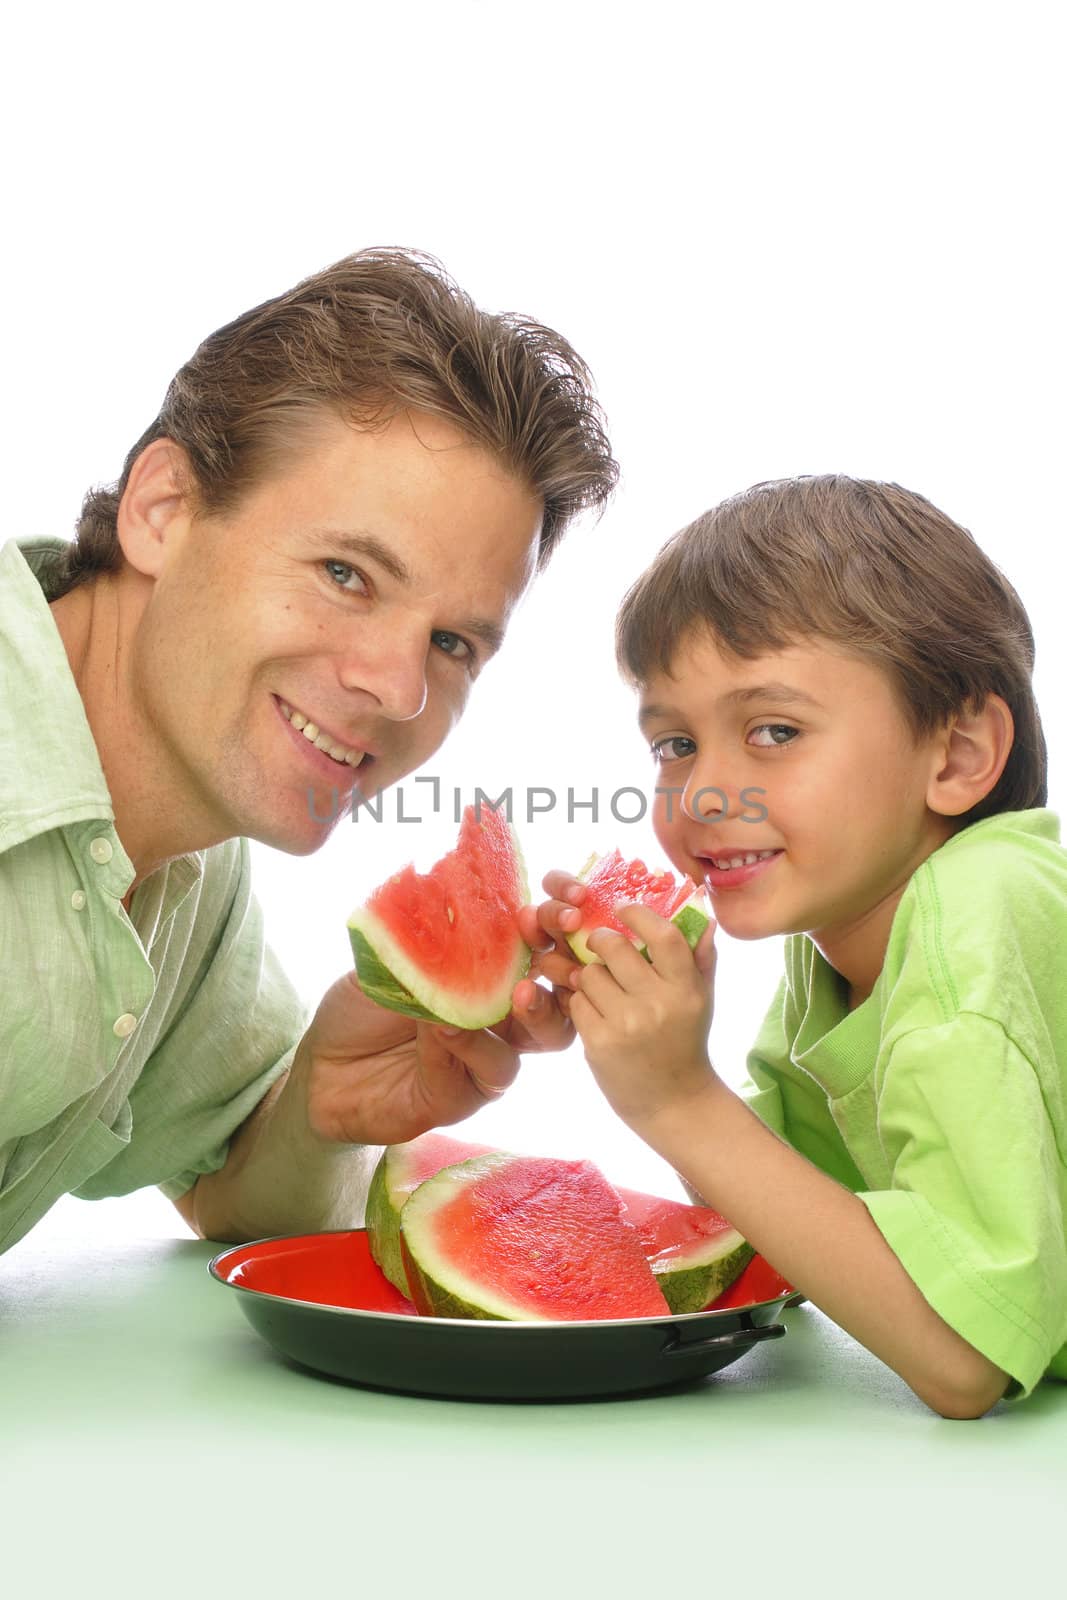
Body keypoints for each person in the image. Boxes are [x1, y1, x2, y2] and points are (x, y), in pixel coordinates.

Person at [0, 248, 617, 1256]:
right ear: (163, 510)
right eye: (345, 573)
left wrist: (319, 1108)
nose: (400, 688)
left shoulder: (191, 864)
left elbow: (232, 1193)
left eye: (453, 643)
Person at [531, 474, 1067, 1419]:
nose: (703, 795)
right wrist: (649, 1042)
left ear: (954, 756)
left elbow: (963, 1357)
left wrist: (676, 1098)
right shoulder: (836, 945)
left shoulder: (973, 912)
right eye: (673, 745)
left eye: (773, 731)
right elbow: (808, 1238)